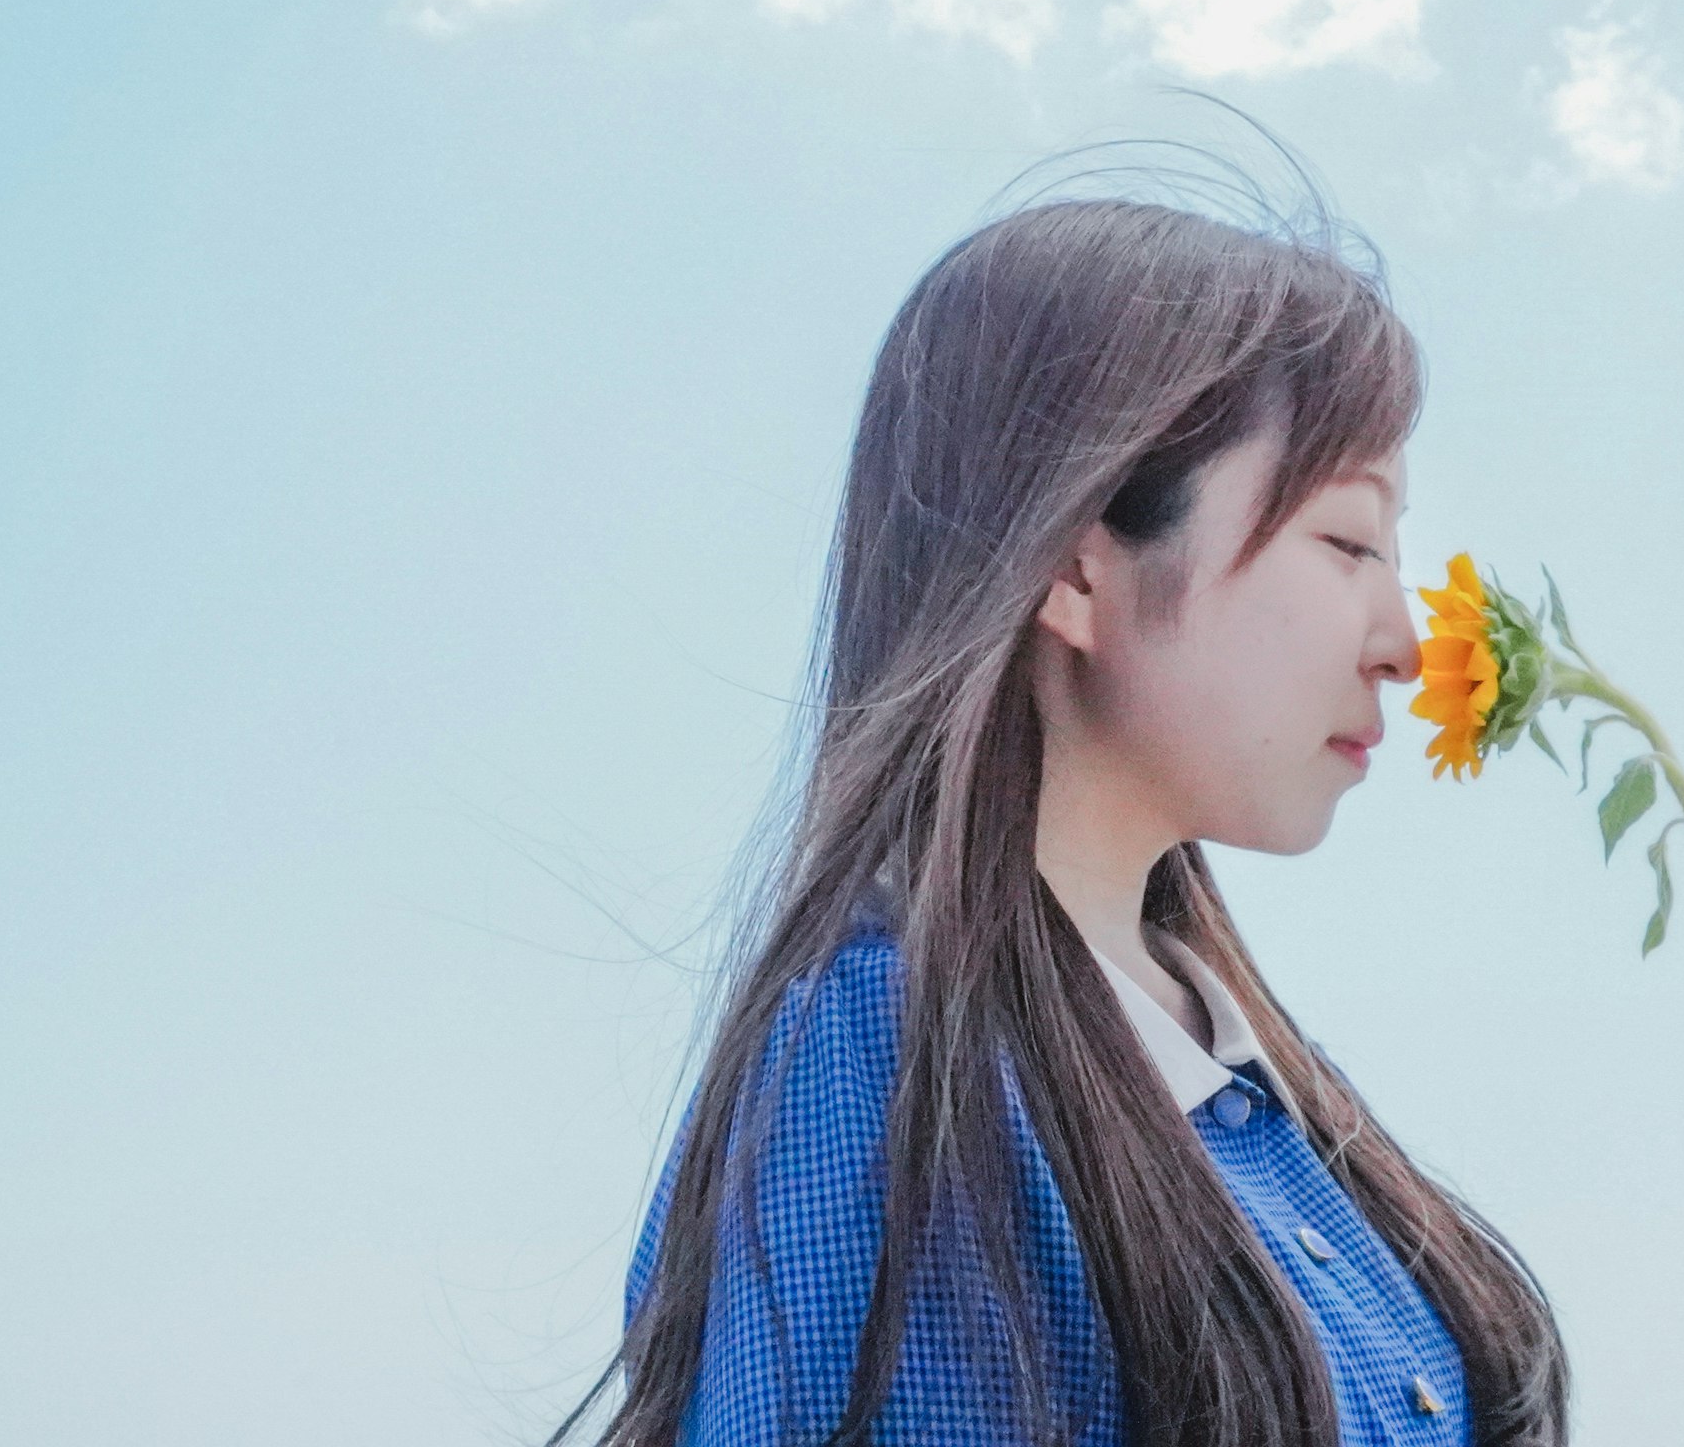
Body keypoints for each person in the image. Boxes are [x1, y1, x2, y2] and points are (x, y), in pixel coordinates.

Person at [566, 194, 1566, 1447]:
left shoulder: (1233, 1071)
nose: (1407, 644)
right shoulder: (894, 1063)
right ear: (1078, 566)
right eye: (1348, 539)